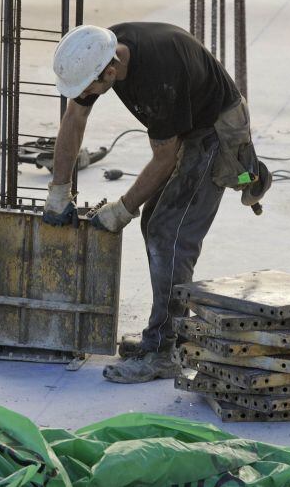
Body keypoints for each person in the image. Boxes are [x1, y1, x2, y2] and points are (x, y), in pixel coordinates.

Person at [43, 22, 271, 384]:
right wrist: (58, 191)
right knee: (155, 224)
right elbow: (74, 118)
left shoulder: (157, 77)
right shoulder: (98, 52)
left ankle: (166, 350)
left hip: (214, 130)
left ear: (112, 71)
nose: (86, 94)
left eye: (89, 87)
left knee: (170, 234)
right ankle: (163, 333)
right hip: (187, 121)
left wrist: (122, 208)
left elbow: (166, 156)